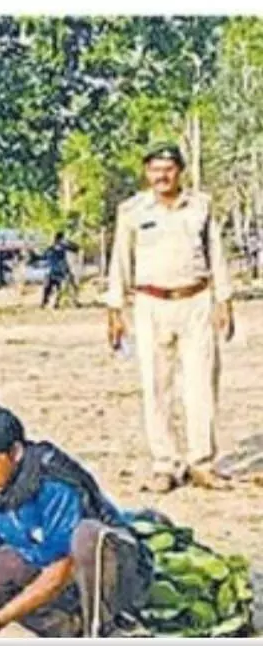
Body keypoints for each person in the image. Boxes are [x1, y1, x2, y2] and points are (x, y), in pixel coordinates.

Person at [0, 405, 152, 638]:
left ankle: (111, 627)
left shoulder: (53, 484)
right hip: (59, 583)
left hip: (113, 574)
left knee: (87, 535)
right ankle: (71, 629)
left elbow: (61, 569)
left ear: (15, 452)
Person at [106, 143, 235, 494]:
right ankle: (165, 464)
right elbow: (120, 259)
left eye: (168, 169)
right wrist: (115, 308)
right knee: (155, 385)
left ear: (180, 171)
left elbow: (216, 254)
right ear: (146, 173)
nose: (161, 176)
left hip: (196, 300)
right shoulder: (132, 211)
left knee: (201, 384)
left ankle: (201, 463)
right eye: (154, 169)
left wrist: (224, 299)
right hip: (150, 304)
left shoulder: (200, 206)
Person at [40, 231, 79, 309]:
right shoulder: (50, 248)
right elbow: (43, 257)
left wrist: (68, 242)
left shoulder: (63, 247)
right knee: (47, 288)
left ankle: (58, 303)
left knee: (60, 288)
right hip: (52, 272)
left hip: (62, 271)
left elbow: (76, 248)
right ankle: (45, 303)